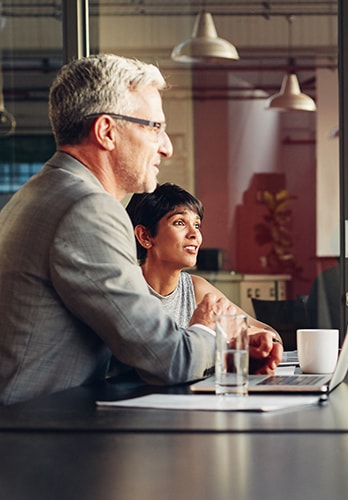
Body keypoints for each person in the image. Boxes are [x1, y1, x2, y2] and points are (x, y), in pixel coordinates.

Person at [0, 54, 281, 406]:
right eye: (154, 127)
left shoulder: (42, 192)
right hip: (40, 437)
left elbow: (130, 348)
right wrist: (210, 330)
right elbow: (168, 360)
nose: (166, 146)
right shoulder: (87, 208)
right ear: (106, 132)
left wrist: (225, 345)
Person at [126, 183, 278, 337]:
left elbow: (271, 334)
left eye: (197, 225)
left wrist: (243, 334)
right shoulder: (125, 290)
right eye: (179, 222)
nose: (194, 234)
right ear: (145, 236)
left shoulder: (195, 288)